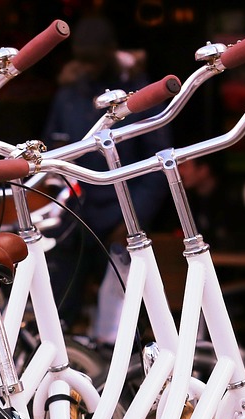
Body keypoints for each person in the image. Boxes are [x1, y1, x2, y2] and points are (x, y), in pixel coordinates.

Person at [41, 14, 172, 331]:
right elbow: (50, 153)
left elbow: (158, 164)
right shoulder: (69, 93)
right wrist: (57, 207)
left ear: (111, 52)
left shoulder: (138, 94)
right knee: (59, 312)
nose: (89, 67)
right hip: (76, 214)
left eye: (94, 60)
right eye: (82, 61)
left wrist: (132, 217)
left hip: (121, 216)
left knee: (125, 322)